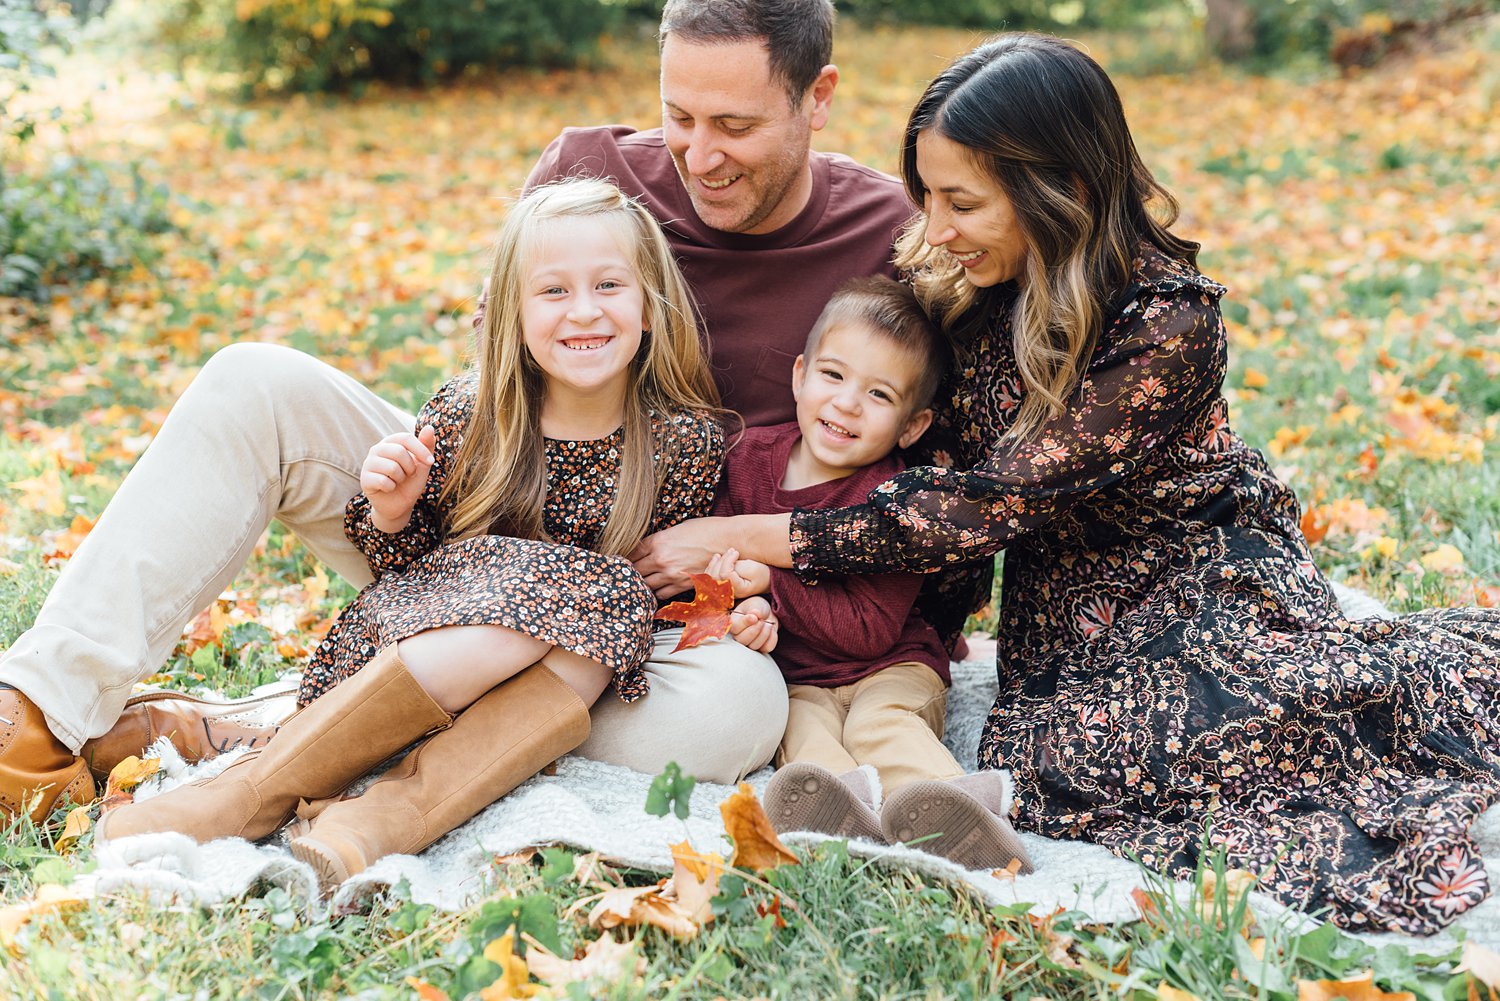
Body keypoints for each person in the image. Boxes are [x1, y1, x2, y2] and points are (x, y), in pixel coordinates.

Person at [632, 33, 1500, 935]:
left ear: (1066, 192)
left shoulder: (1166, 321)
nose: (933, 227)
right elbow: (923, 460)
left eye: (962, 202)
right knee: (1051, 762)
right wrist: (917, 629)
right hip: (1065, 601)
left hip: (1199, 569)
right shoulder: (963, 279)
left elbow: (992, 502)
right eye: (926, 194)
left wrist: (746, 537)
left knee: (1211, 725)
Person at [0, 0, 916, 825]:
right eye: (679, 116)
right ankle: (36, 716)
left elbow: (918, 494)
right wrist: (402, 492)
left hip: (657, 599)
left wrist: (746, 559)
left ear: (818, 95)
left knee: (734, 713)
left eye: (737, 125)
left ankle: (269, 729)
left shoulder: (889, 238)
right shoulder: (588, 168)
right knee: (252, 380)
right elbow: (495, 391)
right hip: (480, 532)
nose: (699, 155)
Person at [96, 178, 727, 895]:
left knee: (610, 607)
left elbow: (672, 584)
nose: (584, 310)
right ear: (513, 315)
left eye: (609, 284)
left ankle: (374, 823)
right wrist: (392, 508)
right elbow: (406, 569)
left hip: (548, 685)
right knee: (594, 592)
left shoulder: (683, 442)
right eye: (554, 291)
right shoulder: (473, 414)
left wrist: (730, 603)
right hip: (433, 644)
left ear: (650, 301)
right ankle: (249, 791)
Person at [707, 275, 1033, 872]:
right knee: (800, 732)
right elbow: (722, 571)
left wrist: (771, 587)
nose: (847, 402)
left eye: (879, 394)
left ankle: (958, 814)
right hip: (799, 677)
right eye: (833, 376)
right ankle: (834, 809)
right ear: (801, 375)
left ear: (911, 426)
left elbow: (867, 631)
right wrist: (744, 610)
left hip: (893, 665)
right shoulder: (747, 463)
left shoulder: (894, 501)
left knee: (882, 725)